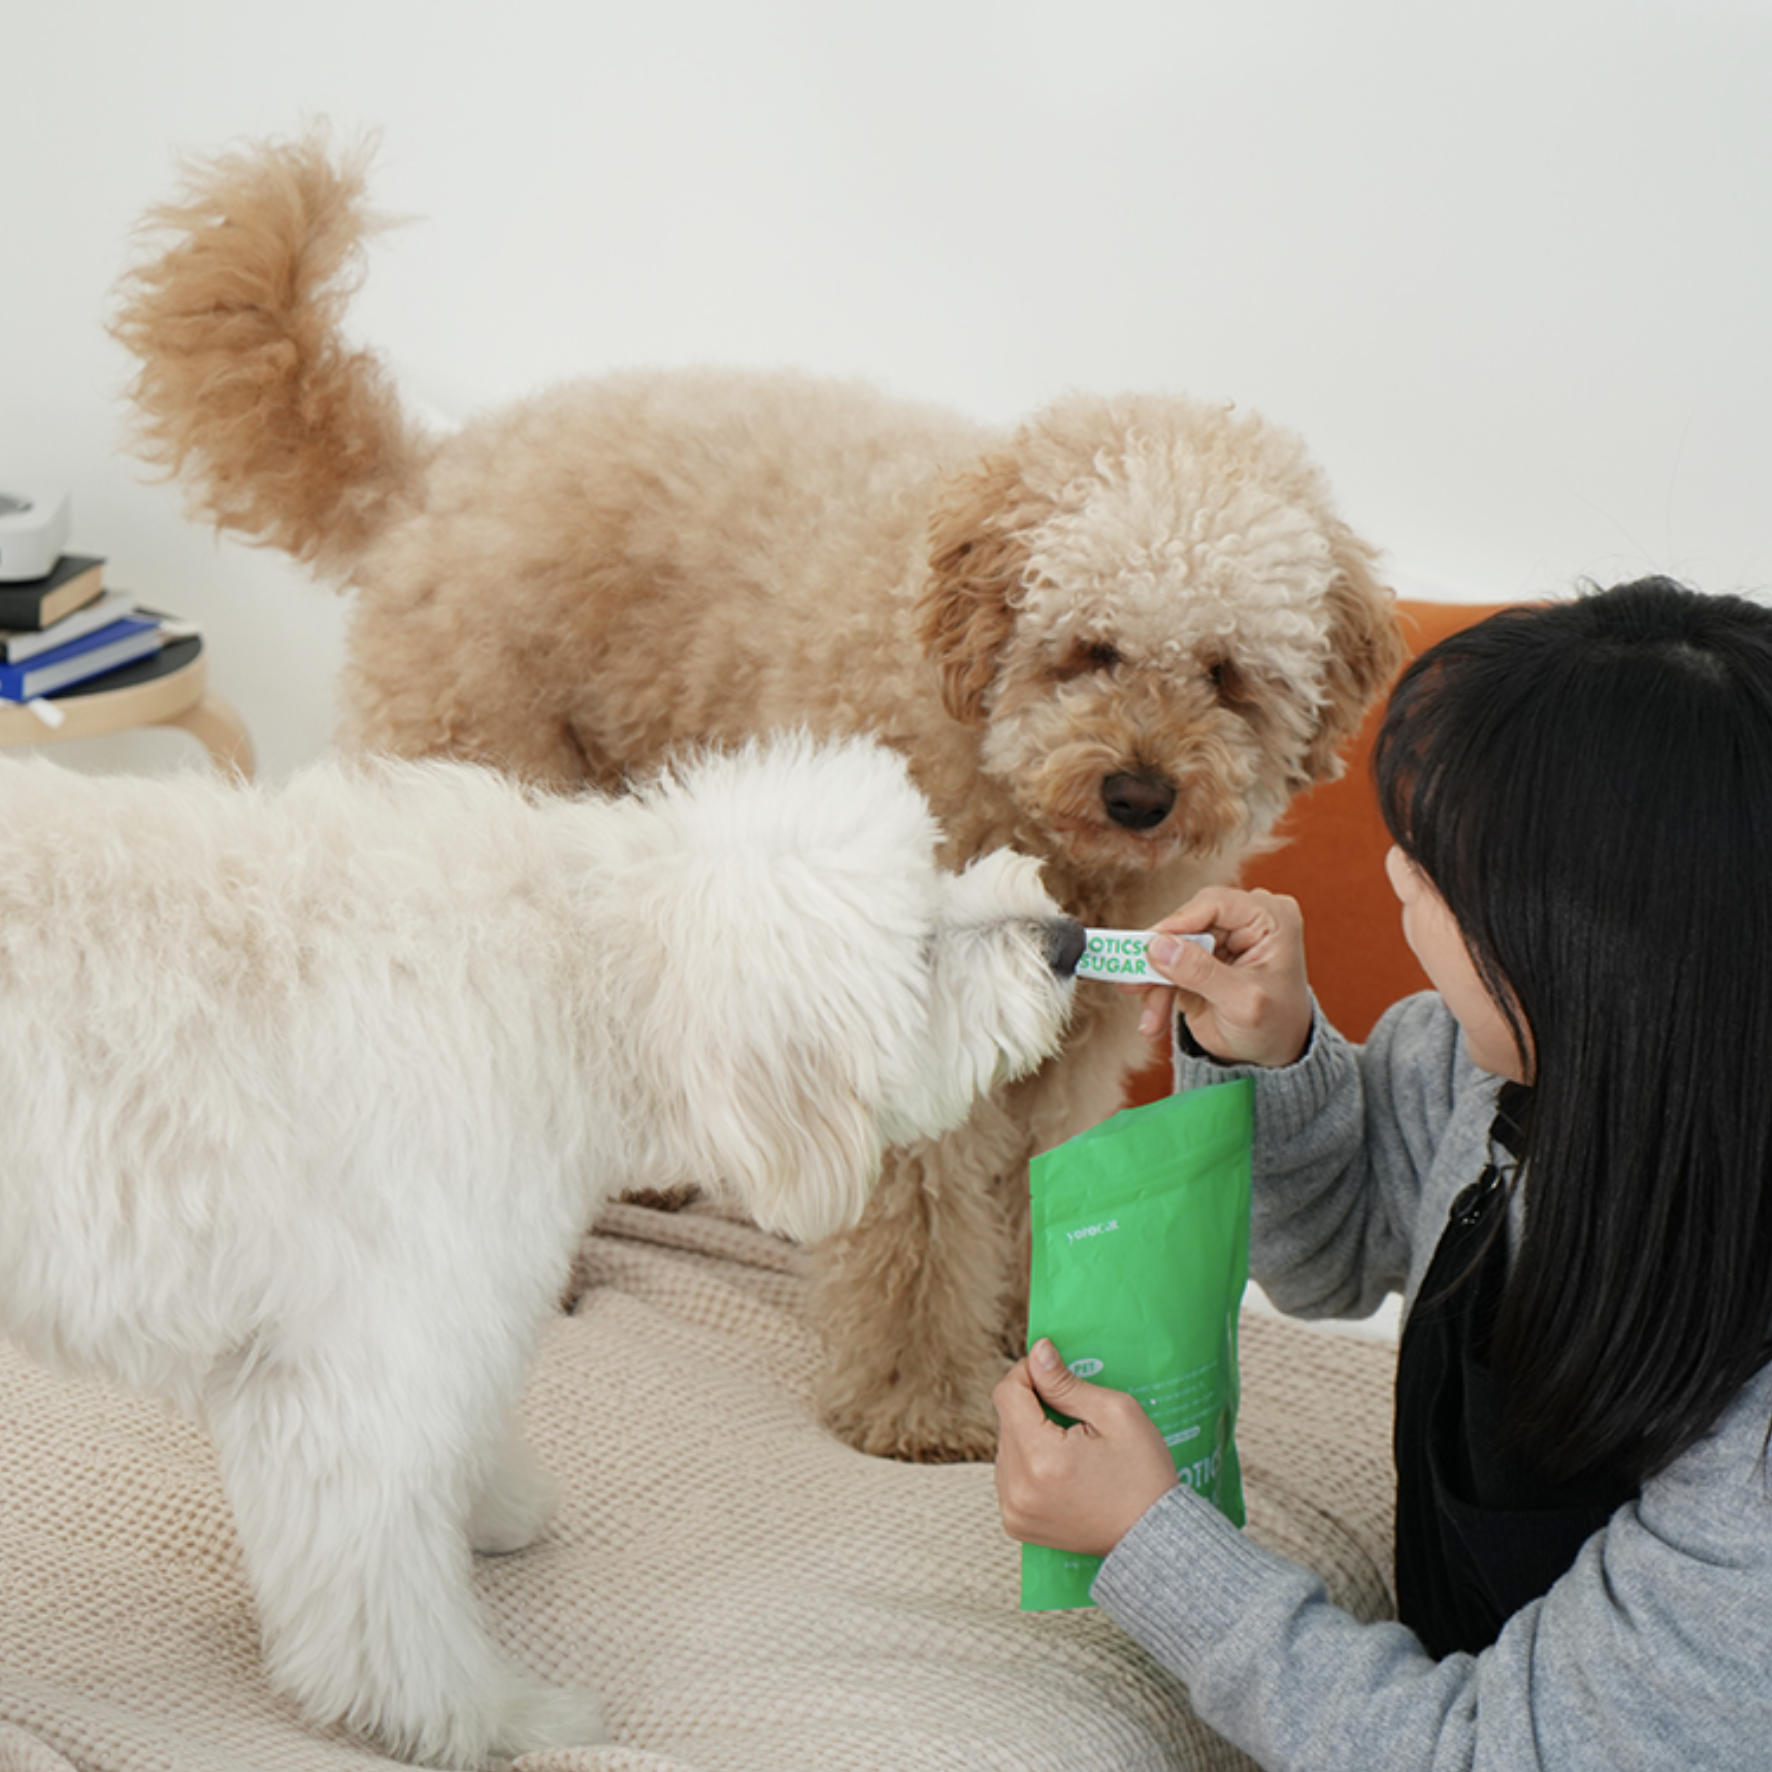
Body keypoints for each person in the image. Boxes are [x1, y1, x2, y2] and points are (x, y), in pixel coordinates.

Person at [993, 578, 1772, 1770]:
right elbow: (1330, 1251)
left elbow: (1485, 1755)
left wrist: (1151, 1544)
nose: (1396, 879)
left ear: (1600, 954)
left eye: (1440, 874)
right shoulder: (1482, 1064)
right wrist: (1270, 1053)